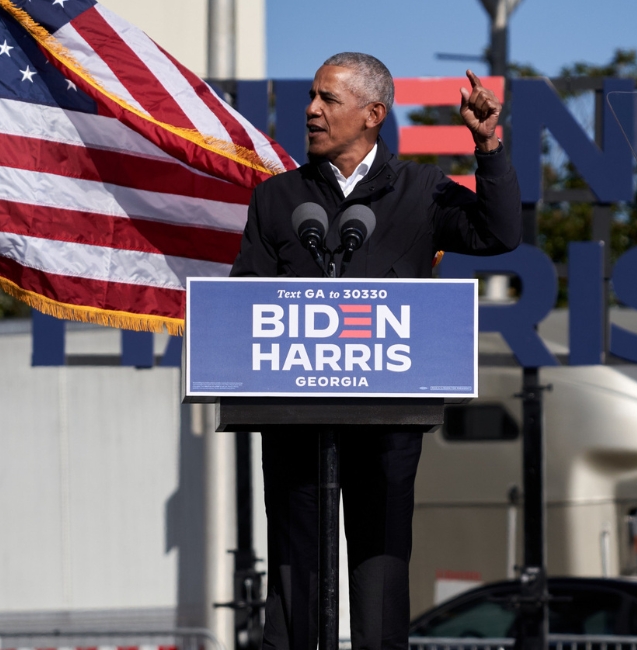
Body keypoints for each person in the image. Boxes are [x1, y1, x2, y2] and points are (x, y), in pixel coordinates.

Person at [230, 52, 521, 650]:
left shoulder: (420, 190)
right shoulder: (277, 197)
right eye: (311, 96)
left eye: (327, 100)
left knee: (380, 572)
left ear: (373, 114)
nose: (310, 110)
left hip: (388, 417)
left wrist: (488, 145)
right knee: (293, 576)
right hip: (293, 418)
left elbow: (497, 234)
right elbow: (243, 299)